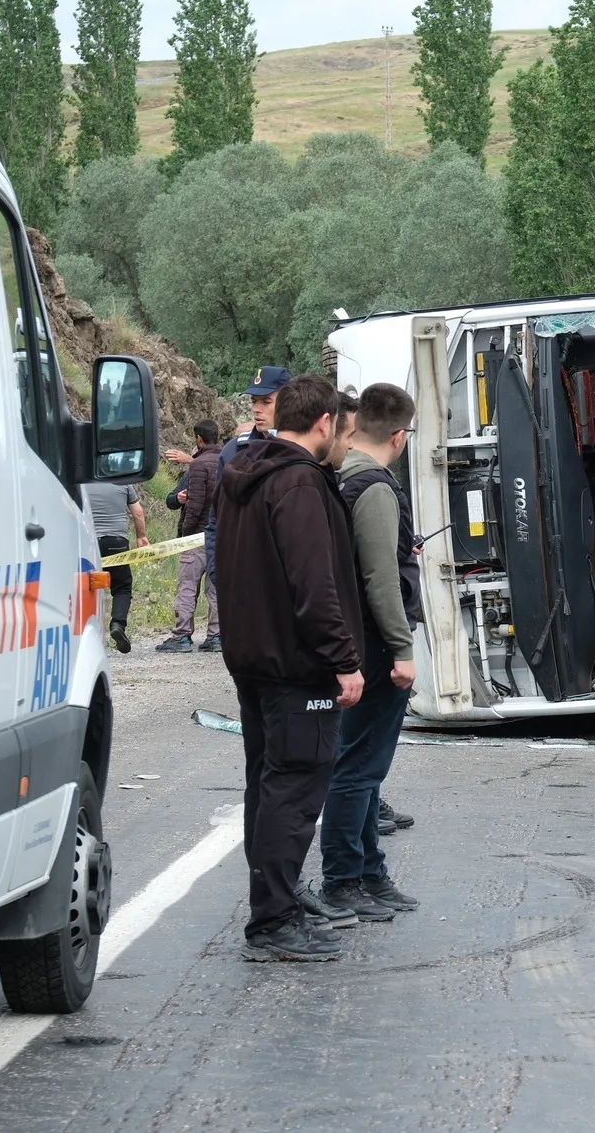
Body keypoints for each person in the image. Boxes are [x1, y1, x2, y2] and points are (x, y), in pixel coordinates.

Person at [213, 372, 365, 962]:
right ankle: (273, 918)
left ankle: (278, 900)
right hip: (296, 664)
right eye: (339, 430)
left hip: (253, 656)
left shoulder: (246, 474)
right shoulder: (299, 482)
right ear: (324, 422)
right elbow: (314, 583)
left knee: (269, 781)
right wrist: (344, 660)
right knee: (296, 784)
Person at [310, 383, 423, 927]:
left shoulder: (342, 476)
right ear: (399, 437)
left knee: (364, 766)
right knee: (360, 767)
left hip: (355, 641)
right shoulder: (375, 487)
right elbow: (380, 579)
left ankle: (369, 872)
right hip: (375, 646)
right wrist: (402, 650)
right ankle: (343, 879)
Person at [200, 365, 290, 586]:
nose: (257, 409)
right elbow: (216, 520)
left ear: (289, 401)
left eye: (266, 402)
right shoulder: (232, 451)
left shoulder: (304, 449)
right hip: (241, 584)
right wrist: (217, 572)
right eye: (253, 402)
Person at [158, 419, 224, 654]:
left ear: (198, 439)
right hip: (221, 536)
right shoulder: (228, 461)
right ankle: (217, 636)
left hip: (196, 537)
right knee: (216, 588)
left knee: (187, 586)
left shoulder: (198, 465)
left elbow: (194, 504)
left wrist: (185, 533)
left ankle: (182, 636)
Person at [83, 481, 146, 654]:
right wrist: (141, 537)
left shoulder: (82, 480)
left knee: (85, 586)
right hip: (116, 543)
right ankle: (118, 624)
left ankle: (86, 631)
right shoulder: (124, 480)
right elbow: (138, 512)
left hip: (86, 541)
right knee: (122, 587)